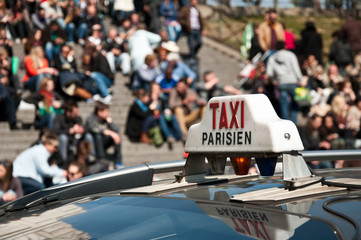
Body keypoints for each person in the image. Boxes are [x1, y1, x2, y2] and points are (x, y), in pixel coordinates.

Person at [12, 130, 67, 195]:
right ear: (47, 144)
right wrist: (61, 172)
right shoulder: (40, 151)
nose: (55, 149)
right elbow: (45, 170)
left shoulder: (39, 150)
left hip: (23, 176)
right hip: (21, 176)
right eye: (54, 147)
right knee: (41, 189)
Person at [266, 40, 303, 124]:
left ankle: (285, 124)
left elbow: (269, 73)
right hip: (292, 82)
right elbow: (296, 69)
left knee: (283, 104)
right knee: (295, 104)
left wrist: (274, 80)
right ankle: (293, 124)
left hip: (281, 83)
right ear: (285, 47)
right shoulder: (291, 55)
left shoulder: (272, 58)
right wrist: (300, 79)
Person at [86, 102, 122, 168]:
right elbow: (92, 129)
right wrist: (104, 131)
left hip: (103, 143)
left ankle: (118, 161)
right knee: (98, 135)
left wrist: (110, 123)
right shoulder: (91, 119)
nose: (108, 113)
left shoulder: (106, 120)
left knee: (116, 136)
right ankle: (101, 159)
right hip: (92, 144)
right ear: (99, 112)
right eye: (106, 112)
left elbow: (117, 130)